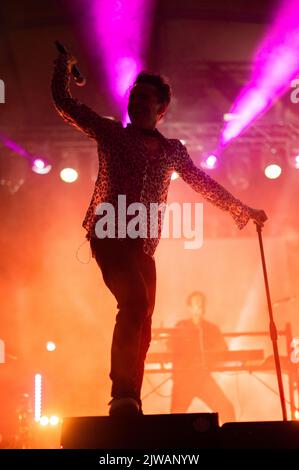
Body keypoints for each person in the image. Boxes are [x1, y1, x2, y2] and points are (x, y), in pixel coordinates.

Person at [51, 49, 267, 417]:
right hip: (109, 233)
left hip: (142, 247)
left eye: (145, 98)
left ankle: (131, 397)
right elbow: (64, 102)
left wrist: (242, 209)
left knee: (144, 319)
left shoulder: (172, 150)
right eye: (134, 97)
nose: (136, 102)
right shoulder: (112, 134)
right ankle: (121, 393)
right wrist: (63, 68)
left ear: (161, 109)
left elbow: (203, 183)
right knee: (134, 303)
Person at [170, 291, 235, 424]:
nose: (199, 305)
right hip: (184, 379)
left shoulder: (211, 328)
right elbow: (171, 347)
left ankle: (232, 441)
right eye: (196, 302)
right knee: (175, 418)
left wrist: (210, 353)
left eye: (201, 302)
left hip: (202, 377)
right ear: (189, 307)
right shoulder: (181, 326)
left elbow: (223, 348)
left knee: (227, 408)